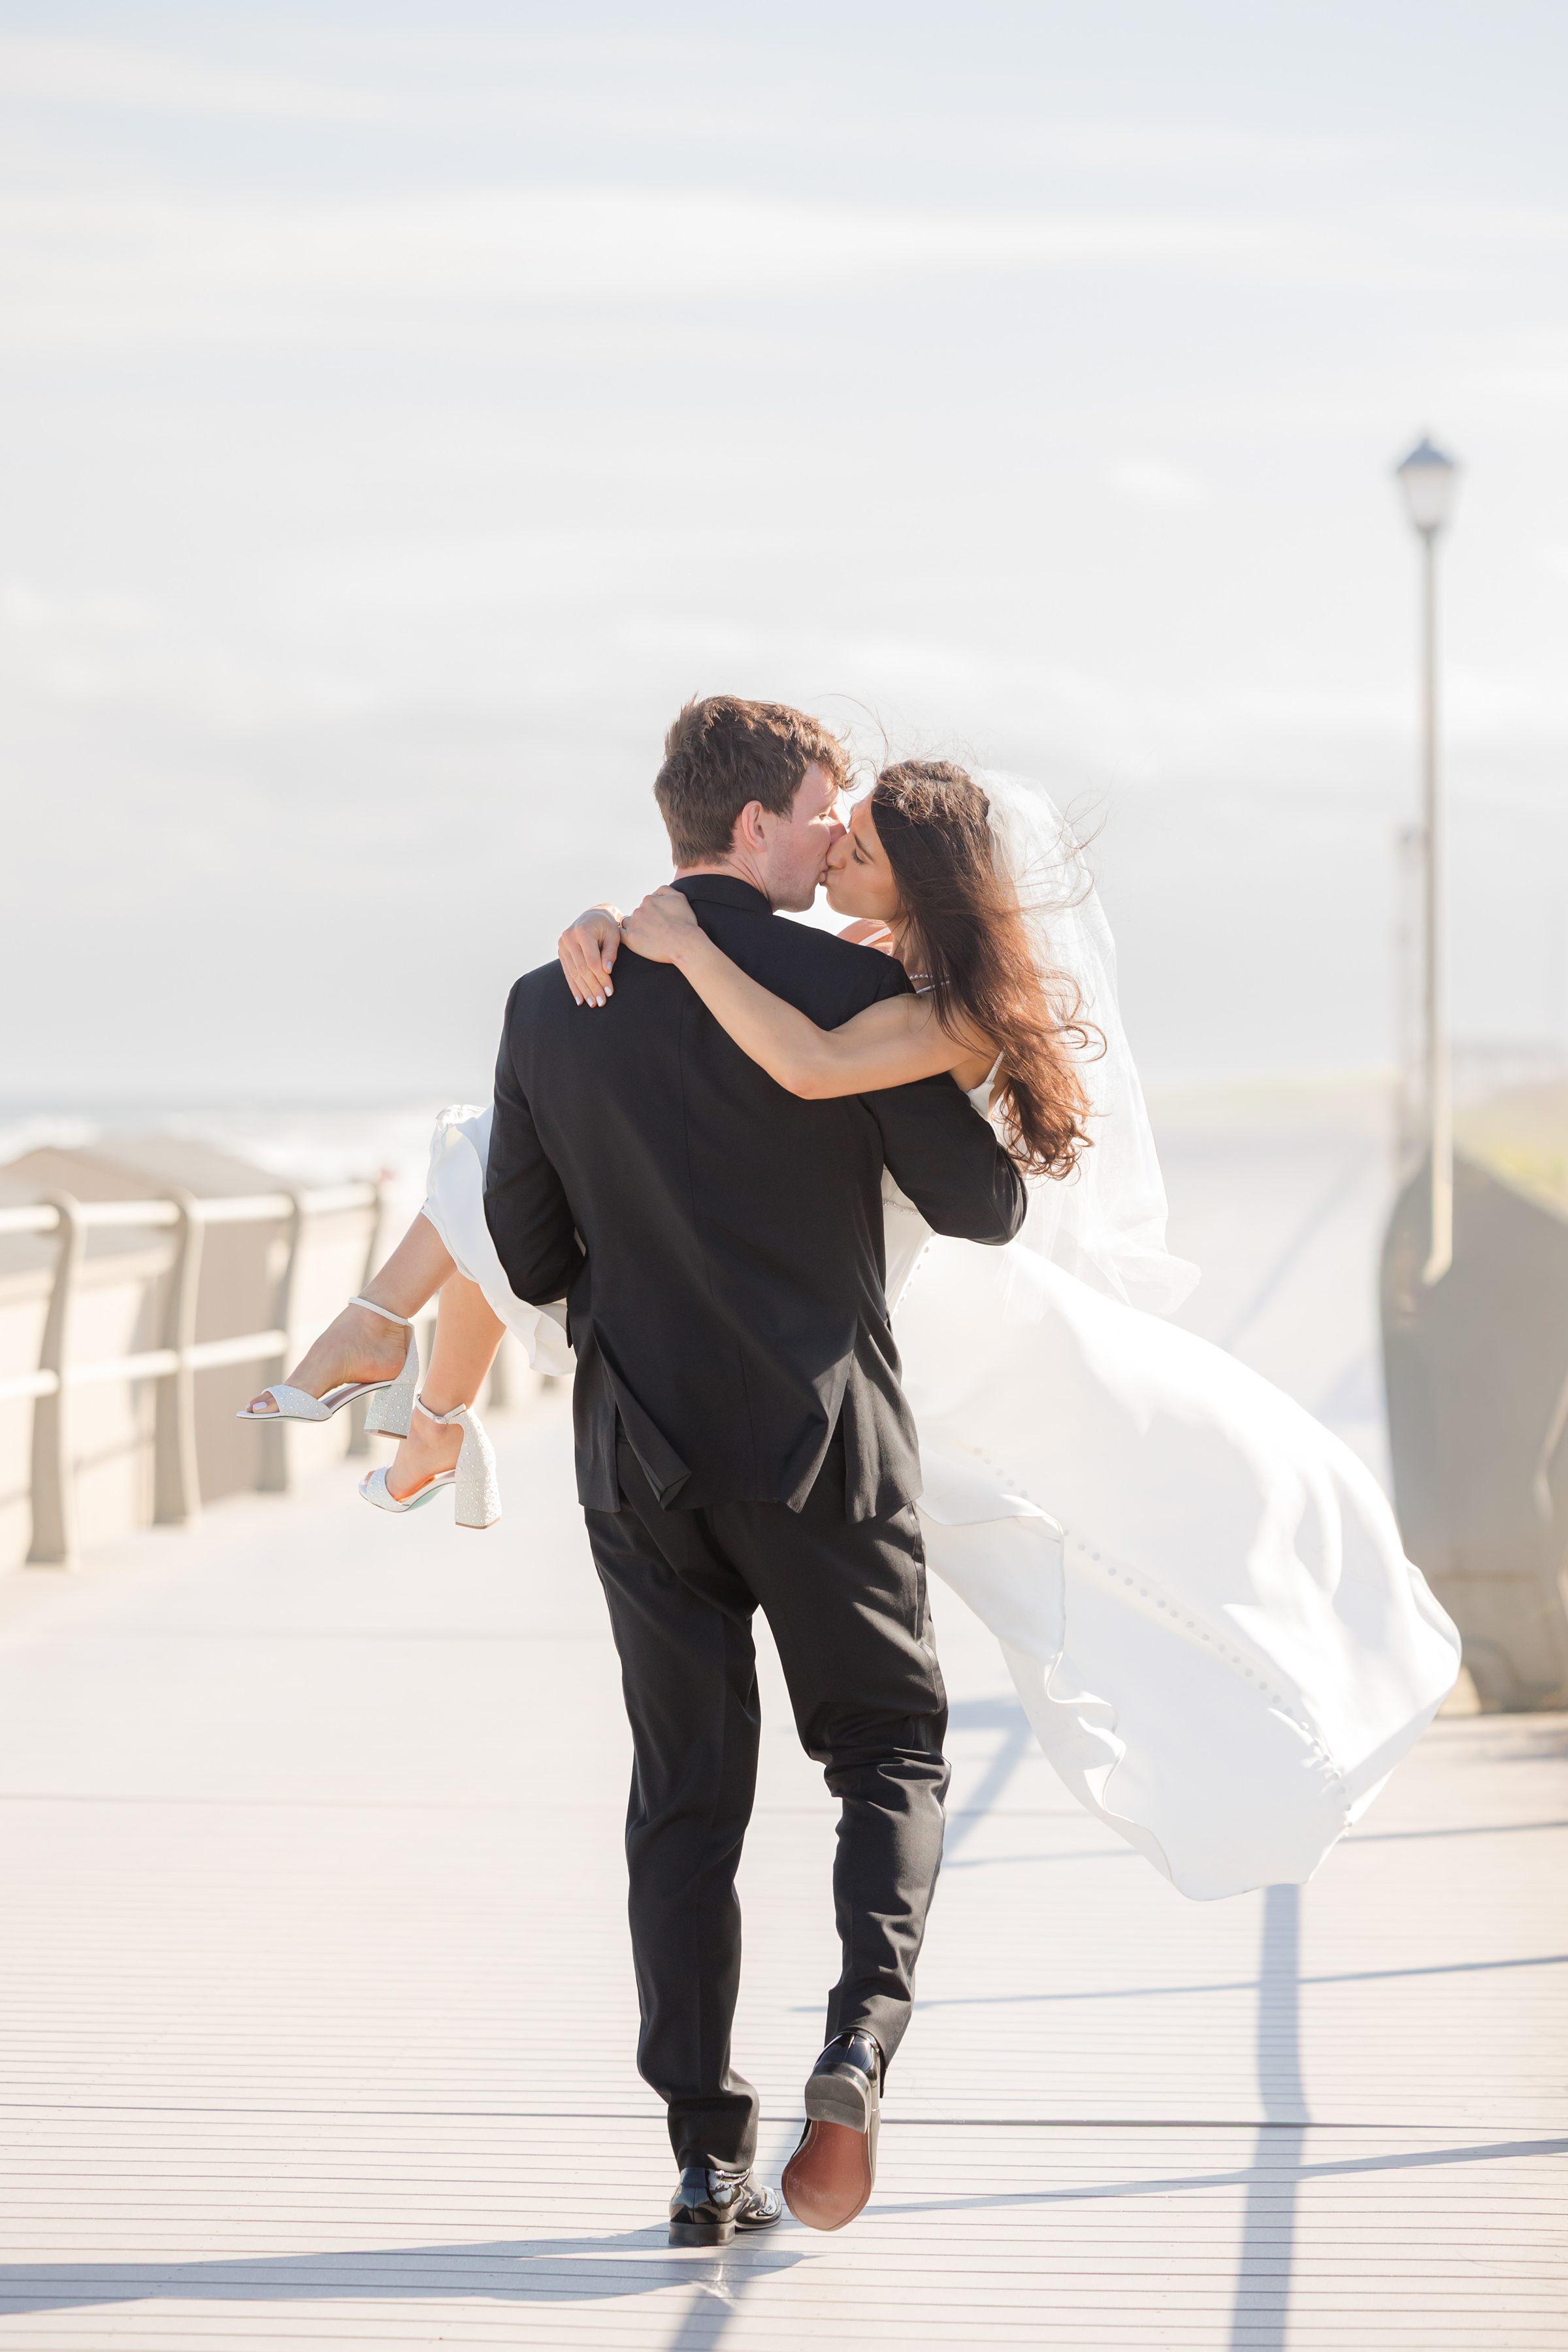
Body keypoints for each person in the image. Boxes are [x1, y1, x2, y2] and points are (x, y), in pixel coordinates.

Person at [246, 696, 1028, 2241]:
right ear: (752, 827)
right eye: (821, 806)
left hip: (640, 1459)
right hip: (824, 1447)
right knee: (890, 1756)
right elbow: (984, 1206)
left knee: (685, 1803)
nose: (834, 830)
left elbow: (527, 1253)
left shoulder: (554, 999)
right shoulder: (846, 987)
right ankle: (860, 2047)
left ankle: (701, 2152)